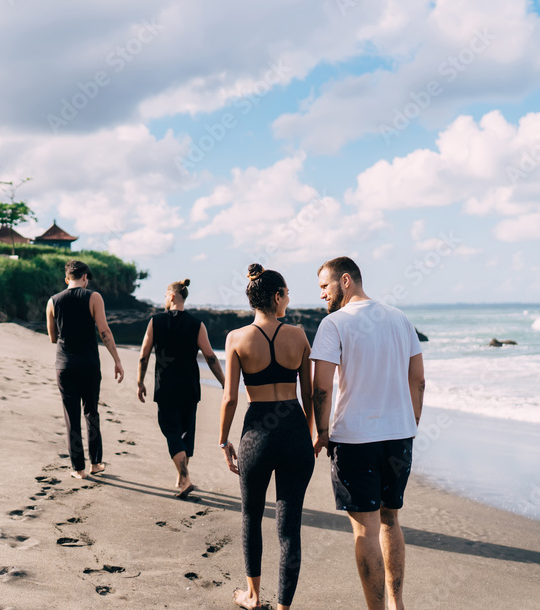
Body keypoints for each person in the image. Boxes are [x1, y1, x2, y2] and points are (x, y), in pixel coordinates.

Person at [310, 257, 426, 610]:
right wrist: (410, 424)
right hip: (399, 437)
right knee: (390, 519)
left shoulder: (334, 324)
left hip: (354, 440)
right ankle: (397, 604)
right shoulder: (399, 318)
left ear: (345, 281)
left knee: (365, 529)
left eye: (324, 287)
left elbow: (321, 387)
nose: (321, 296)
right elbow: (418, 380)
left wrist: (322, 431)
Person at [219, 264, 315, 610]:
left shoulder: (236, 338)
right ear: (276, 296)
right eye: (287, 293)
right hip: (294, 431)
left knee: (251, 517)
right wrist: (314, 435)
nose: (288, 298)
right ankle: (284, 607)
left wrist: (223, 440)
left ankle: (254, 596)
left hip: (257, 433)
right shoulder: (300, 336)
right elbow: (310, 395)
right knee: (289, 527)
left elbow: (230, 397)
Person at [137, 278, 225, 499]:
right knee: (186, 430)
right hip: (189, 387)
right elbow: (211, 357)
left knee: (171, 430)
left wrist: (140, 381)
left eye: (165, 297)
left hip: (165, 386)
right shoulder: (197, 324)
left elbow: (144, 355)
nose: (164, 301)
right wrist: (225, 382)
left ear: (172, 296)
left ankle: (184, 479)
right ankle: (181, 474)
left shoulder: (155, 322)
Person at [46, 259, 125, 479]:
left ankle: (78, 468)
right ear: (85, 278)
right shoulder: (93, 297)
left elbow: (53, 337)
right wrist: (117, 360)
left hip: (64, 365)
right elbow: (105, 332)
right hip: (89, 364)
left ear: (66, 279)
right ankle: (96, 463)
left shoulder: (53, 301)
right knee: (91, 411)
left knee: (71, 416)